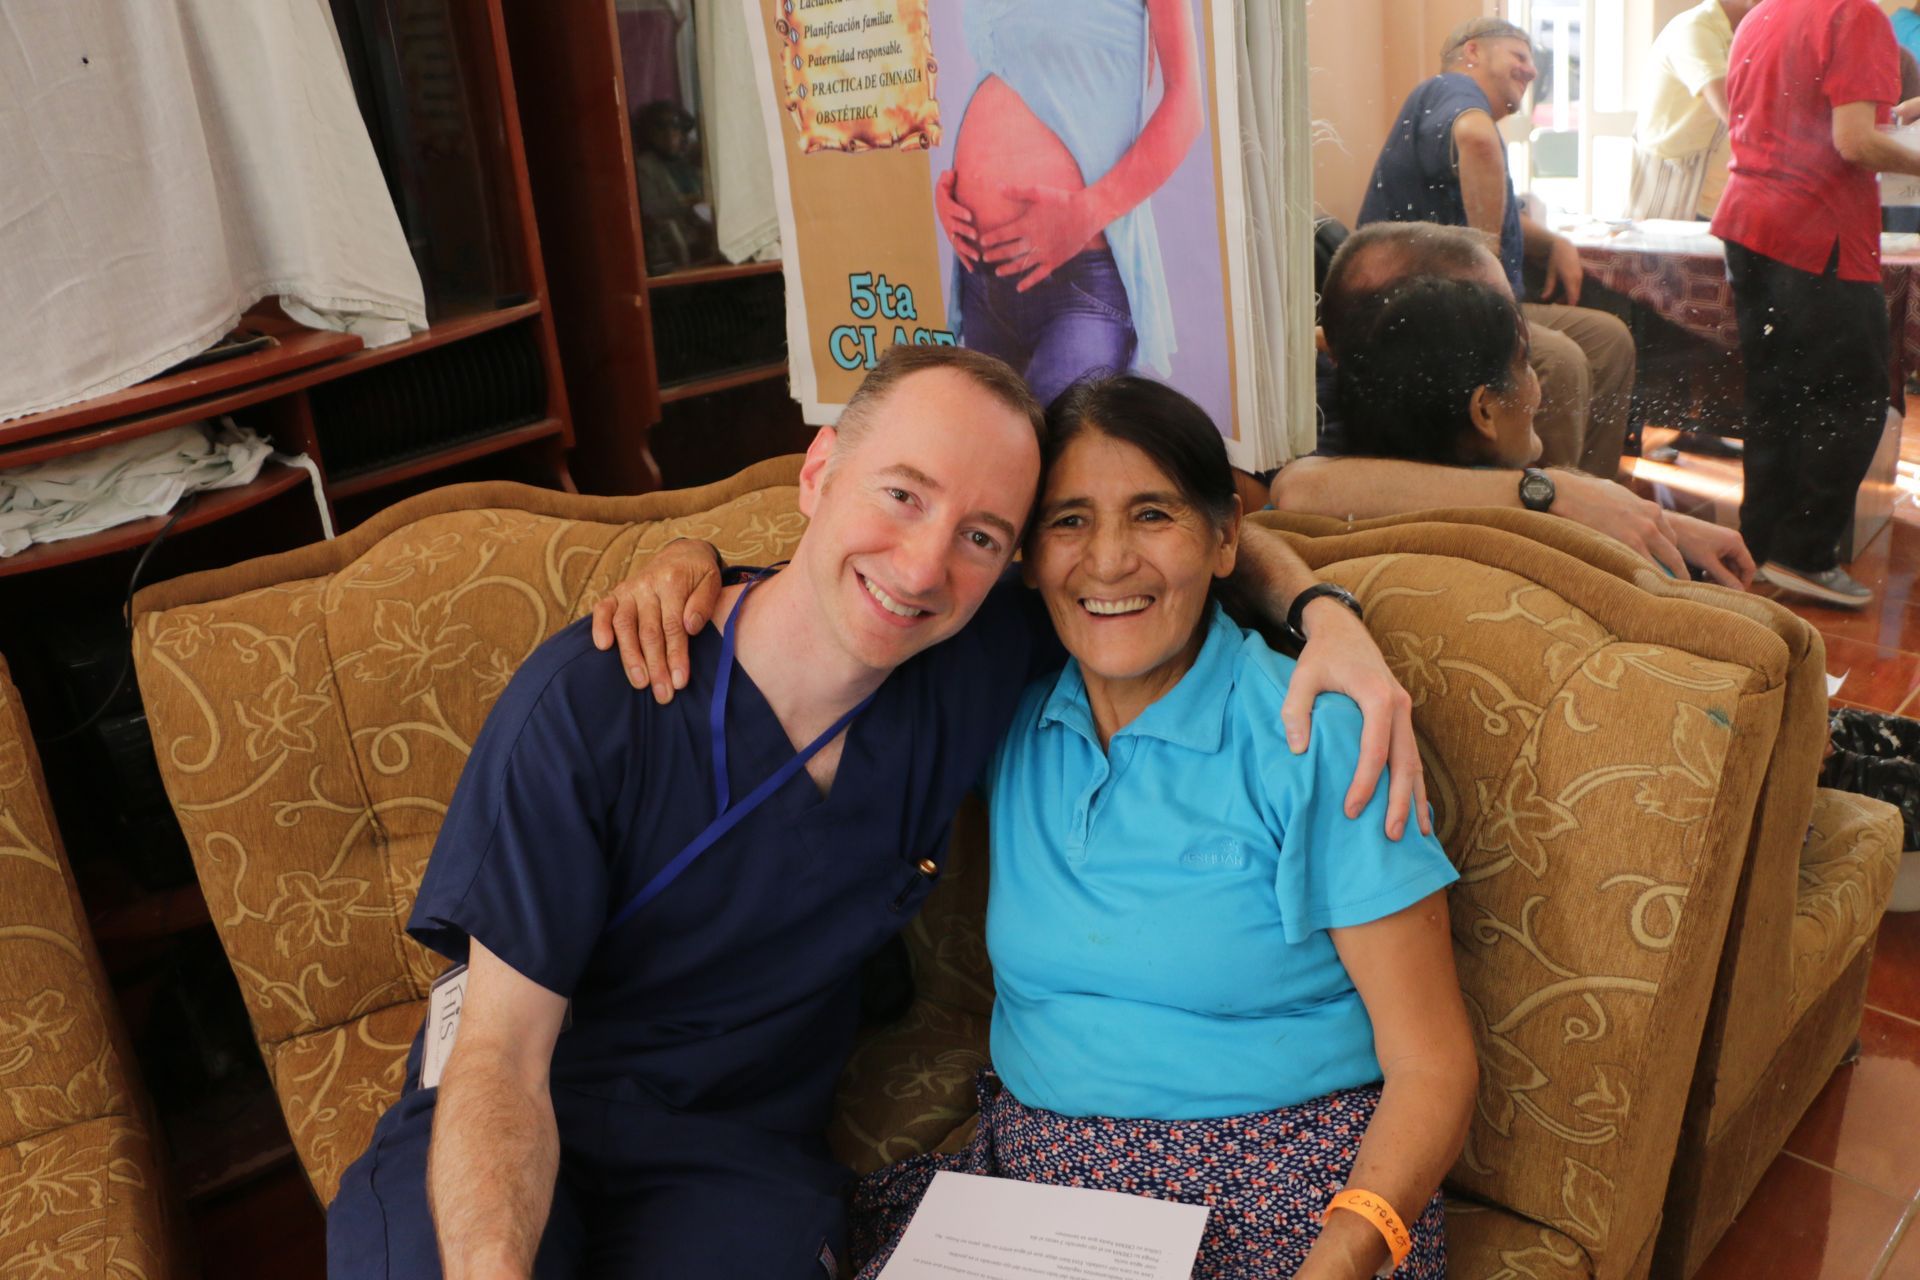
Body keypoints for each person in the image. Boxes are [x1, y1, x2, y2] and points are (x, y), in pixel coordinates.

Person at [325, 344, 1431, 1279]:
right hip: (520, 1097)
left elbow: (1179, 542)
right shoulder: (599, 695)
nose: (922, 563)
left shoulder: (971, 656)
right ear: (818, 472)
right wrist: (684, 553)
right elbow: (501, 1059)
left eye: (983, 534)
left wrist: (1328, 614)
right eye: (901, 494)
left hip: (730, 1153)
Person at [847, 375, 1474, 1279]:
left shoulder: (1318, 732)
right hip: (1039, 1200)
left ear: (1225, 540)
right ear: (1026, 555)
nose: (1107, 563)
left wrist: (1342, 1255)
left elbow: (1435, 1064)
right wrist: (693, 566)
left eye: (1152, 515)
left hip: (1290, 1193)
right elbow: (849, 600)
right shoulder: (1007, 707)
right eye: (1068, 521)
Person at [1283, 221, 1755, 589]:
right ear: (1482, 410)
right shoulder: (1308, 417)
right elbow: (1298, 491)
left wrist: (1652, 522)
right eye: (1520, 355)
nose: (1537, 384)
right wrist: (1552, 495)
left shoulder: (1359, 374)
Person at [1358, 18, 1636, 482]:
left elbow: (1498, 198)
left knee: (1609, 340)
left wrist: (1553, 242)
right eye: (1518, 56)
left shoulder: (1453, 110)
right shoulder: (1451, 89)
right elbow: (1477, 141)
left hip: (1460, 306)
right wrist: (1488, 269)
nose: (1530, 72)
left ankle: (1590, 494)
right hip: (1416, 313)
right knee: (1559, 361)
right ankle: (1539, 517)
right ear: (1472, 52)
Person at [1710, 0, 1920, 609]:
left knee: (1774, 394)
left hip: (1749, 220)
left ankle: (1762, 540)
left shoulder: (1762, 14)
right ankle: (1804, 552)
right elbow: (1852, 143)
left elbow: (1803, 118)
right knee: (1852, 398)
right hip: (1814, 228)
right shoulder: (1853, 15)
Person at [933, 0, 1201, 406]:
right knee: (989, 461)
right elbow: (1013, 75)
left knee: (1060, 452)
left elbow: (1186, 106)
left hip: (1081, 281)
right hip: (979, 282)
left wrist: (1091, 209)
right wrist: (954, 189)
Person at [1627, 1, 1758, 222]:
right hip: (1673, 190)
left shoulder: (1744, 31)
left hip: (1714, 196)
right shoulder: (1695, 28)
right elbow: (1733, 111)